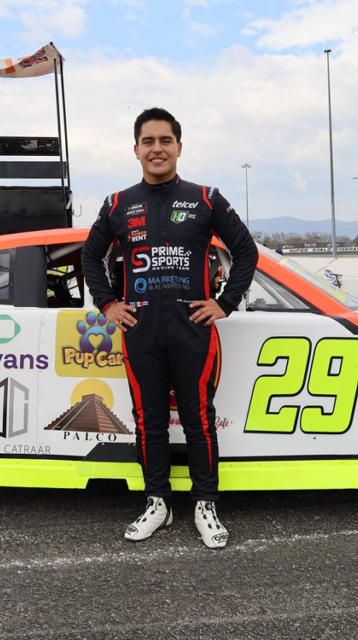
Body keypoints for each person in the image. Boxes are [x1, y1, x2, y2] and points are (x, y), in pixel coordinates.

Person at [81, 107, 258, 549]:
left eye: (165, 140)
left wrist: (225, 303)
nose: (156, 149)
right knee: (149, 421)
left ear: (179, 147)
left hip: (192, 329)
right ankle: (157, 502)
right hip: (140, 331)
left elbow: (246, 251)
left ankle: (205, 504)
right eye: (148, 141)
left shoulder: (206, 198)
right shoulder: (117, 203)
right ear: (136, 149)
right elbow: (90, 256)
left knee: (199, 420)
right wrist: (108, 304)